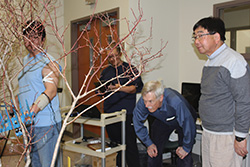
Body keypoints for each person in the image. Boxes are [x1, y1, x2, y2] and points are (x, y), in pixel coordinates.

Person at [193, 17, 250, 167]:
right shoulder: (210, 61)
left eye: (200, 35)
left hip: (225, 136)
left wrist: (240, 137)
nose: (196, 41)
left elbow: (244, 100)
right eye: (194, 37)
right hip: (209, 131)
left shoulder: (233, 61)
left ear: (216, 37)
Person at [18, 20, 62, 167]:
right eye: (27, 36)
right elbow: (26, 88)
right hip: (28, 124)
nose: (31, 40)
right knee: (32, 163)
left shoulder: (48, 62)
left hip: (45, 124)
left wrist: (34, 109)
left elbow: (51, 90)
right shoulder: (25, 61)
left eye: (35, 37)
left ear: (43, 40)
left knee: (47, 164)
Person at [133, 80, 197, 167]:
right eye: (145, 101)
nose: (147, 105)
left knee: (184, 156)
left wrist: (186, 147)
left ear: (161, 98)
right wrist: (149, 144)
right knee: (153, 151)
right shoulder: (143, 103)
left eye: (151, 101)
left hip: (184, 121)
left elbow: (188, 125)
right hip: (163, 119)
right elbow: (137, 122)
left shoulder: (175, 102)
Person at [99, 42, 143, 167]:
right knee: (116, 145)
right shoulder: (105, 72)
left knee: (130, 145)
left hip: (126, 114)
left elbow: (134, 88)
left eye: (115, 56)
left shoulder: (130, 69)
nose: (113, 59)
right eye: (110, 57)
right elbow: (100, 91)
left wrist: (120, 88)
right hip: (109, 113)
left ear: (120, 54)